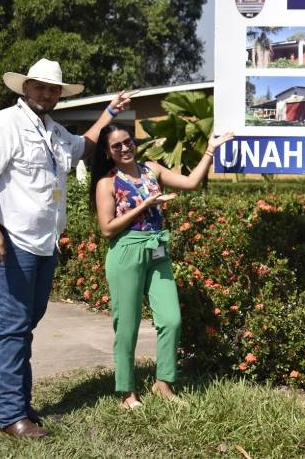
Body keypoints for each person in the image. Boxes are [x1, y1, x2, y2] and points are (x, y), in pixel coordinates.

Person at [0, 58, 134, 438]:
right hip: (10, 242)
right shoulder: (1, 124)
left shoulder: (56, 132)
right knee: (13, 328)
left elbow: (85, 146)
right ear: (25, 88)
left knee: (25, 326)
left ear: (60, 95)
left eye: (53, 89)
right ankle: (12, 416)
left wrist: (109, 111)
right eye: (40, 86)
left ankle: (20, 403)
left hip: (44, 247)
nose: (47, 93)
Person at [89, 124, 233, 409]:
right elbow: (107, 229)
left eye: (127, 142)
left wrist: (210, 151)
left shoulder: (151, 169)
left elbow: (191, 183)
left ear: (134, 142)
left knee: (171, 319)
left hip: (157, 248)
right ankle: (127, 392)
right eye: (116, 146)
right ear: (107, 152)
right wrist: (145, 205)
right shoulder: (107, 183)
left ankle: (163, 383)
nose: (124, 148)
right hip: (127, 251)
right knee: (127, 325)